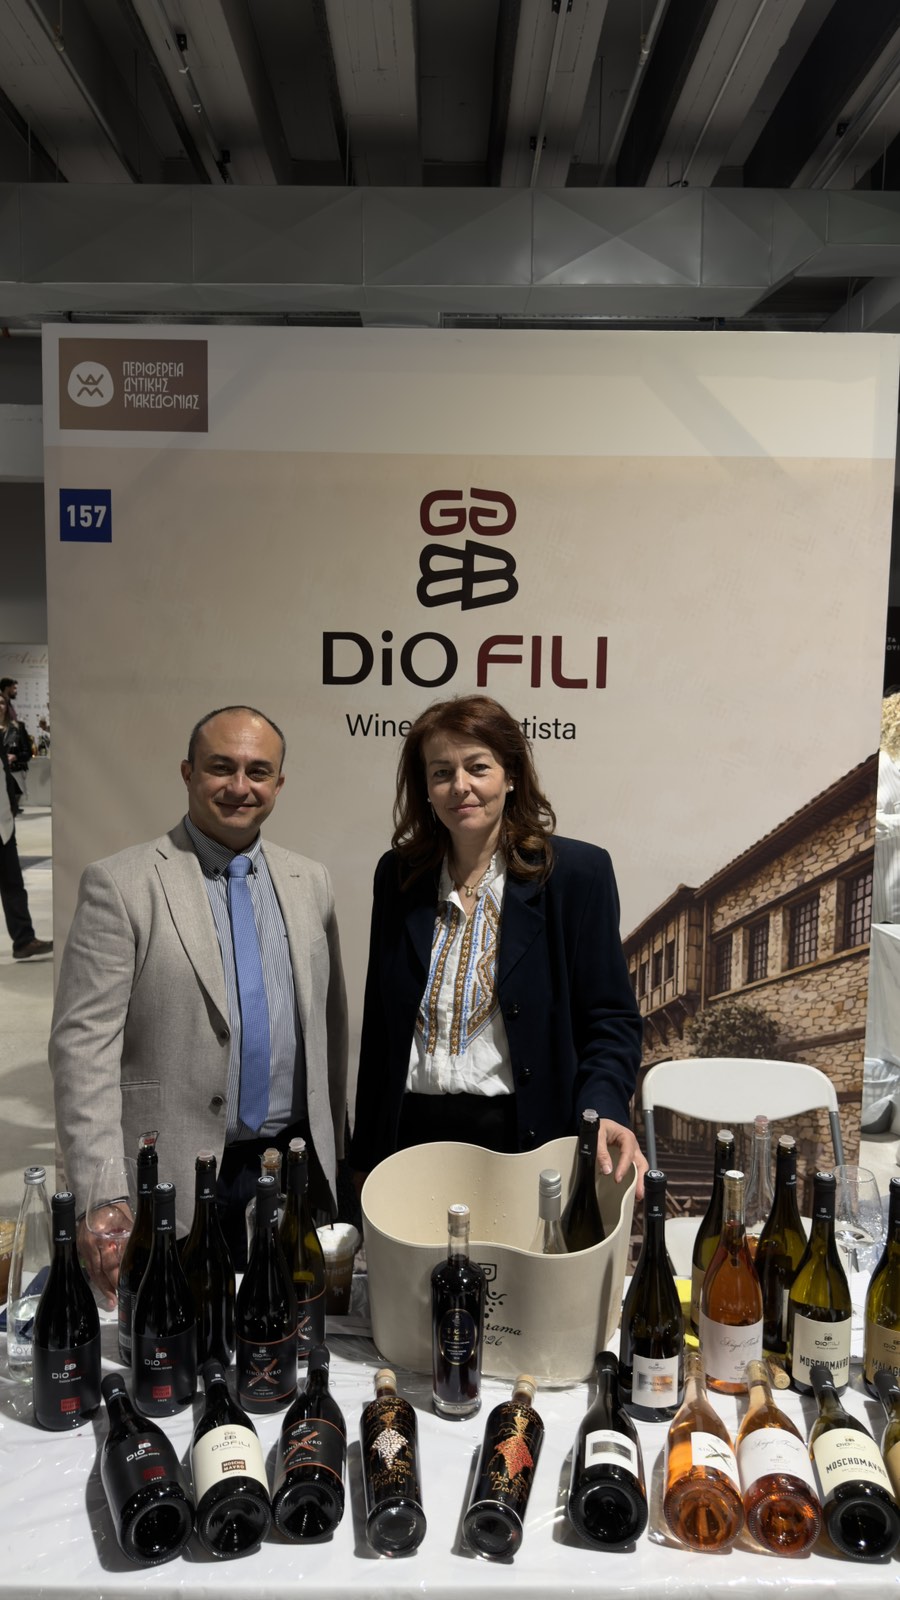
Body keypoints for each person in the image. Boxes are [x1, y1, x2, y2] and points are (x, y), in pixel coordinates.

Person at [50, 705, 349, 1294]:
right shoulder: (122, 884)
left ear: (279, 784)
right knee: (173, 1343)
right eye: (221, 767)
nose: (240, 786)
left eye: (258, 771)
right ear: (187, 773)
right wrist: (102, 1194)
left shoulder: (309, 881)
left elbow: (329, 1032)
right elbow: (82, 1050)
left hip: (289, 1172)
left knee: (284, 1334)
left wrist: (336, 1158)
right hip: (173, 1184)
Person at [350, 693, 646, 1196]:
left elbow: (610, 1021)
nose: (459, 785)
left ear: (511, 776)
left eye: (477, 767)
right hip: (409, 1142)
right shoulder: (397, 875)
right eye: (441, 772)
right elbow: (380, 1027)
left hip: (524, 1141)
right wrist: (365, 1157)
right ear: (425, 787)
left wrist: (605, 1109)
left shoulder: (576, 875)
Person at [0, 726, 52, 960]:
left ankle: (23, 940)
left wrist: (11, 810)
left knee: (13, 885)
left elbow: (4, 776)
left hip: (4, 825)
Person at [0, 681, 32, 778]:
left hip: (14, 773)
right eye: (13, 688)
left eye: (2, 703)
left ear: (7, 707)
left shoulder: (17, 727)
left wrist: (15, 757)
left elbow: (27, 753)